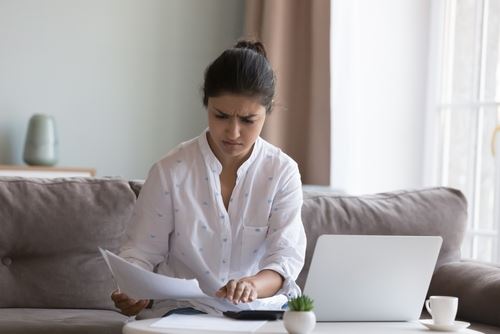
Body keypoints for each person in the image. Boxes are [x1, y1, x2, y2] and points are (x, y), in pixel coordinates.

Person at [111, 40, 306, 318]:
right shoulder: (171, 171)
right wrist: (133, 289)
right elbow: (140, 252)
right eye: (221, 116)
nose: (233, 132)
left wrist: (252, 284)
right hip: (180, 312)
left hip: (255, 313)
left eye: (248, 120)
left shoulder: (282, 172)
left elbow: (284, 260)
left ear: (268, 111)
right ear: (206, 104)